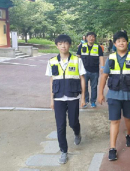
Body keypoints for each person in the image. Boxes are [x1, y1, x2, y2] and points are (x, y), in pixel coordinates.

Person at [98, 30, 130, 161]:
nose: (121, 43)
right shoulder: (110, 58)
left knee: (128, 118)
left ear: (127, 43)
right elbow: (104, 76)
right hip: (113, 94)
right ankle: (112, 148)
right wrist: (100, 93)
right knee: (115, 120)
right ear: (115, 44)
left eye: (123, 41)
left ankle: (129, 134)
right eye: (118, 41)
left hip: (129, 94)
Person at [45, 35, 86, 164]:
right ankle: (63, 151)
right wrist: (51, 99)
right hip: (58, 98)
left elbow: (82, 78)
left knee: (73, 122)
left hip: (73, 96)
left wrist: (83, 97)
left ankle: (77, 132)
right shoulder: (52, 61)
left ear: (70, 45)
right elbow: (52, 80)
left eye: (66, 43)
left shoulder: (76, 60)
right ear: (57, 45)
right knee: (60, 126)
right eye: (60, 43)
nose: (63, 46)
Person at [77, 32, 104, 108]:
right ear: (86, 38)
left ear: (95, 38)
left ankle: (93, 101)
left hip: (94, 71)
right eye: (90, 36)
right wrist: (77, 67)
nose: (91, 38)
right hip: (84, 71)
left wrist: (102, 67)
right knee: (84, 86)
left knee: (94, 87)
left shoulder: (98, 47)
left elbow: (101, 57)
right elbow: (78, 57)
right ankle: (85, 101)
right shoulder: (81, 46)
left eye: (93, 37)